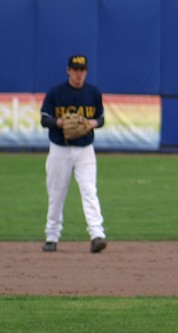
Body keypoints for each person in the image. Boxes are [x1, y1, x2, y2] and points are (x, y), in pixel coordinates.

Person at [40, 55, 107, 253]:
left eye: (82, 70)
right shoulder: (56, 92)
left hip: (85, 150)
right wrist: (60, 122)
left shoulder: (93, 92)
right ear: (68, 70)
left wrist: (91, 123)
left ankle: (97, 235)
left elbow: (101, 119)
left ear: (86, 72)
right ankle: (51, 237)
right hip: (59, 149)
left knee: (89, 191)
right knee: (56, 194)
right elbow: (44, 119)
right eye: (75, 69)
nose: (79, 73)